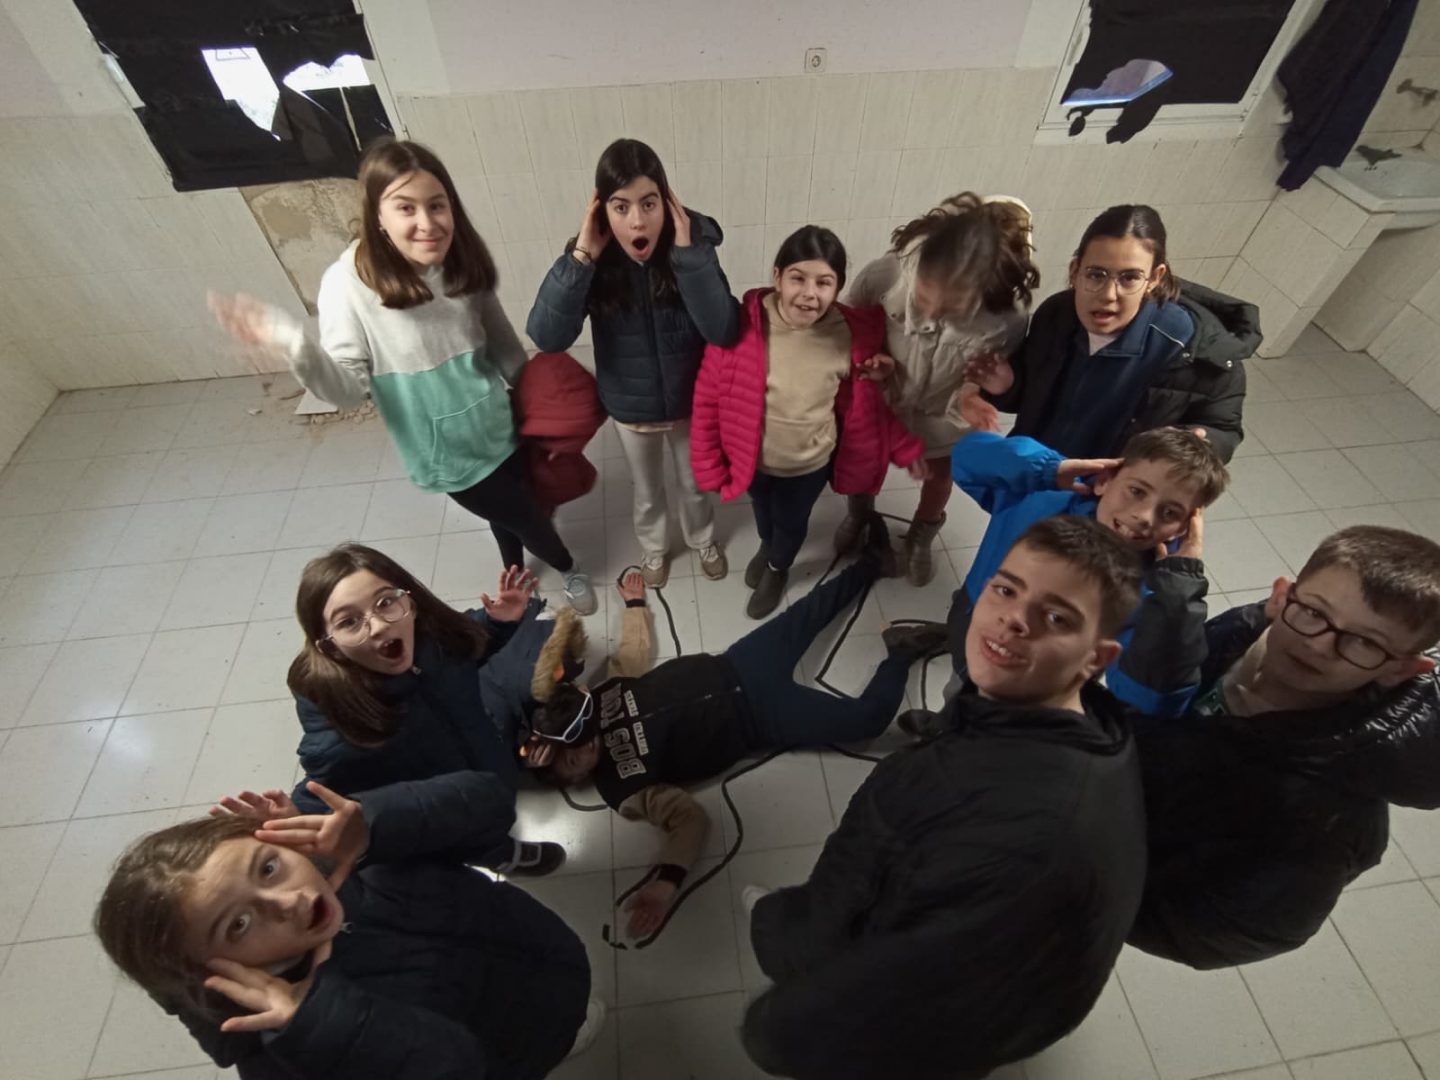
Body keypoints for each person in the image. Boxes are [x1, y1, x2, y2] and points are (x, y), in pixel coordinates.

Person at [740, 516, 1148, 1080]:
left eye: (1056, 617)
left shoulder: (1004, 825)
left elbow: (856, 940)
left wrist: (773, 957)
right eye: (1006, 589)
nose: (1014, 619)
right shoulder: (1097, 734)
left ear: (1096, 658)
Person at [209, 138, 596, 614]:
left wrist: (541, 410)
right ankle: (569, 567)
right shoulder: (348, 284)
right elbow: (347, 391)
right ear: (377, 215)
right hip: (446, 453)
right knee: (528, 516)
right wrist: (295, 344)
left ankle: (514, 574)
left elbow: (503, 347)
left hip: (500, 424)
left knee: (512, 508)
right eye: (405, 207)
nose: (427, 223)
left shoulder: (461, 261)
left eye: (437, 205)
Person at [522, 523, 948, 940]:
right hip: (760, 719)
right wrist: (667, 882)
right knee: (865, 721)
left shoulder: (590, 709)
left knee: (810, 611)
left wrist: (634, 607)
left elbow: (629, 657)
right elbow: (688, 820)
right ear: (575, 779)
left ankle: (871, 563)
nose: (587, 744)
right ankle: (901, 652)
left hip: (738, 664)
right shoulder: (623, 790)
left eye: (576, 741)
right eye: (575, 760)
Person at [95, 772, 603, 1079]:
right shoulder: (288, 1050)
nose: (290, 900)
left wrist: (375, 825)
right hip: (517, 1050)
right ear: (210, 972)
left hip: (542, 952)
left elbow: (489, 800)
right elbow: (457, 1068)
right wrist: (326, 1024)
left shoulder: (347, 855)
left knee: (568, 1007)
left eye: (267, 867)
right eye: (240, 924)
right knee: (556, 1036)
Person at [1125, 525, 1440, 968]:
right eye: (1313, 611)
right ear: (1281, 596)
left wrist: (1082, 884)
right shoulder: (1240, 631)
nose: (1319, 644)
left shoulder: (1322, 823)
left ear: (1401, 669)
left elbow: (1208, 932)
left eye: (1365, 642)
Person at [268, 542, 565, 876]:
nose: (380, 626)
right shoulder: (342, 720)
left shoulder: (436, 638)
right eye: (349, 622)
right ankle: (501, 856)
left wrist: (498, 622)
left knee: (497, 803)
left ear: (409, 601)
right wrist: (295, 818)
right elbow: (323, 785)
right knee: (477, 837)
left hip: (487, 756)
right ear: (331, 648)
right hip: (446, 806)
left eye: (385, 602)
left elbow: (469, 640)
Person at [527, 138, 737, 588]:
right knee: (647, 490)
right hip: (630, 404)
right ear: (602, 211)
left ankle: (703, 540)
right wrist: (581, 258)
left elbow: (723, 329)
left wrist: (689, 258)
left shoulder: (692, 249)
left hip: (690, 400)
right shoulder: (591, 261)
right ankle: (655, 548)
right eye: (621, 207)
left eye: (649, 203)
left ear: (668, 203)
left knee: (694, 483)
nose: (637, 220)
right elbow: (547, 337)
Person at [690, 225, 924, 618]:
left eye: (824, 282)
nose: (809, 293)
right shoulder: (743, 326)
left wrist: (905, 447)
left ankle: (778, 567)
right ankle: (768, 547)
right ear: (777, 277)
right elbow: (708, 397)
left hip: (808, 465)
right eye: (798, 278)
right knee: (763, 512)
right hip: (753, 460)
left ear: (838, 288)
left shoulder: (850, 336)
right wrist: (708, 462)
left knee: (790, 521)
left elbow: (866, 408)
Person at [928, 425, 1228, 726]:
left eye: (1170, 513)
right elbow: (967, 456)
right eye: (1137, 491)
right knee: (954, 701)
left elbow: (1150, 702)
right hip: (970, 643)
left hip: (1031, 694)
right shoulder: (1043, 491)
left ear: (1183, 529)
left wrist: (1175, 596)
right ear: (1104, 480)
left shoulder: (1153, 594)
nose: (1144, 516)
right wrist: (1045, 469)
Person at [844, 192, 1039, 586]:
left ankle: (922, 534)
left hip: (944, 410)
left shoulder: (1007, 318)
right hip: (882, 395)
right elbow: (848, 324)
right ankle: (859, 515)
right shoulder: (886, 274)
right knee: (864, 463)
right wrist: (870, 360)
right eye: (923, 299)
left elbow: (984, 374)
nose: (931, 314)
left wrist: (970, 396)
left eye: (950, 308)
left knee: (938, 477)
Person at [969, 204, 1259, 464]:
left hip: (1110, 493)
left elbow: (1224, 429)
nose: (1108, 295)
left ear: (1155, 278)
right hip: (1038, 470)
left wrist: (1202, 445)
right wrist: (1008, 384)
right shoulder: (1057, 316)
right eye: (1096, 274)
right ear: (1075, 271)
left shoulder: (1201, 355)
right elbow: (1035, 400)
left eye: (1130, 277)